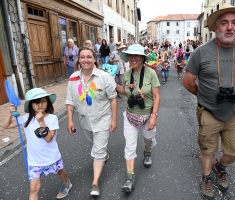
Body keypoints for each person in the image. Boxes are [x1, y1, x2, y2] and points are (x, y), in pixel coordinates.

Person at [182, 4, 235, 200]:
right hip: (209, 111)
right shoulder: (201, 51)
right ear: (216, 27)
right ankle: (206, 177)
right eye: (224, 23)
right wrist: (205, 96)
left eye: (234, 23)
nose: (229, 27)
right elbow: (187, 81)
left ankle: (219, 167)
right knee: (208, 149)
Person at [65, 46, 118, 196]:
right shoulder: (73, 78)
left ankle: (95, 183)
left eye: (89, 57)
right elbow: (70, 101)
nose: (86, 60)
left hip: (102, 119)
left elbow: (113, 99)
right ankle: (102, 155)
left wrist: (114, 119)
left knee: (98, 151)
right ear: (79, 59)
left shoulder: (104, 77)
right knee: (94, 144)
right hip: (85, 122)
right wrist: (69, 120)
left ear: (94, 59)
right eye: (83, 57)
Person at [3, 88, 72, 199]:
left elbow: (48, 138)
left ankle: (66, 183)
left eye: (43, 101)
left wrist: (41, 122)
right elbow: (6, 126)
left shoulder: (52, 118)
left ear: (47, 102)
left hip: (51, 156)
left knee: (60, 171)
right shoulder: (26, 119)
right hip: (34, 160)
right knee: (34, 188)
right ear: (31, 104)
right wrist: (11, 114)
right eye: (36, 102)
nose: (40, 104)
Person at [116, 44, 160, 193]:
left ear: (142, 58)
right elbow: (126, 92)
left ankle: (147, 152)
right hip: (130, 115)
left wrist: (154, 116)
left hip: (147, 116)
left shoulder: (151, 73)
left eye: (137, 56)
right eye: (130, 55)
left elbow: (156, 96)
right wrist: (114, 85)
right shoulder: (127, 74)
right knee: (129, 146)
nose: (133, 58)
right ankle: (130, 178)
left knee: (149, 140)